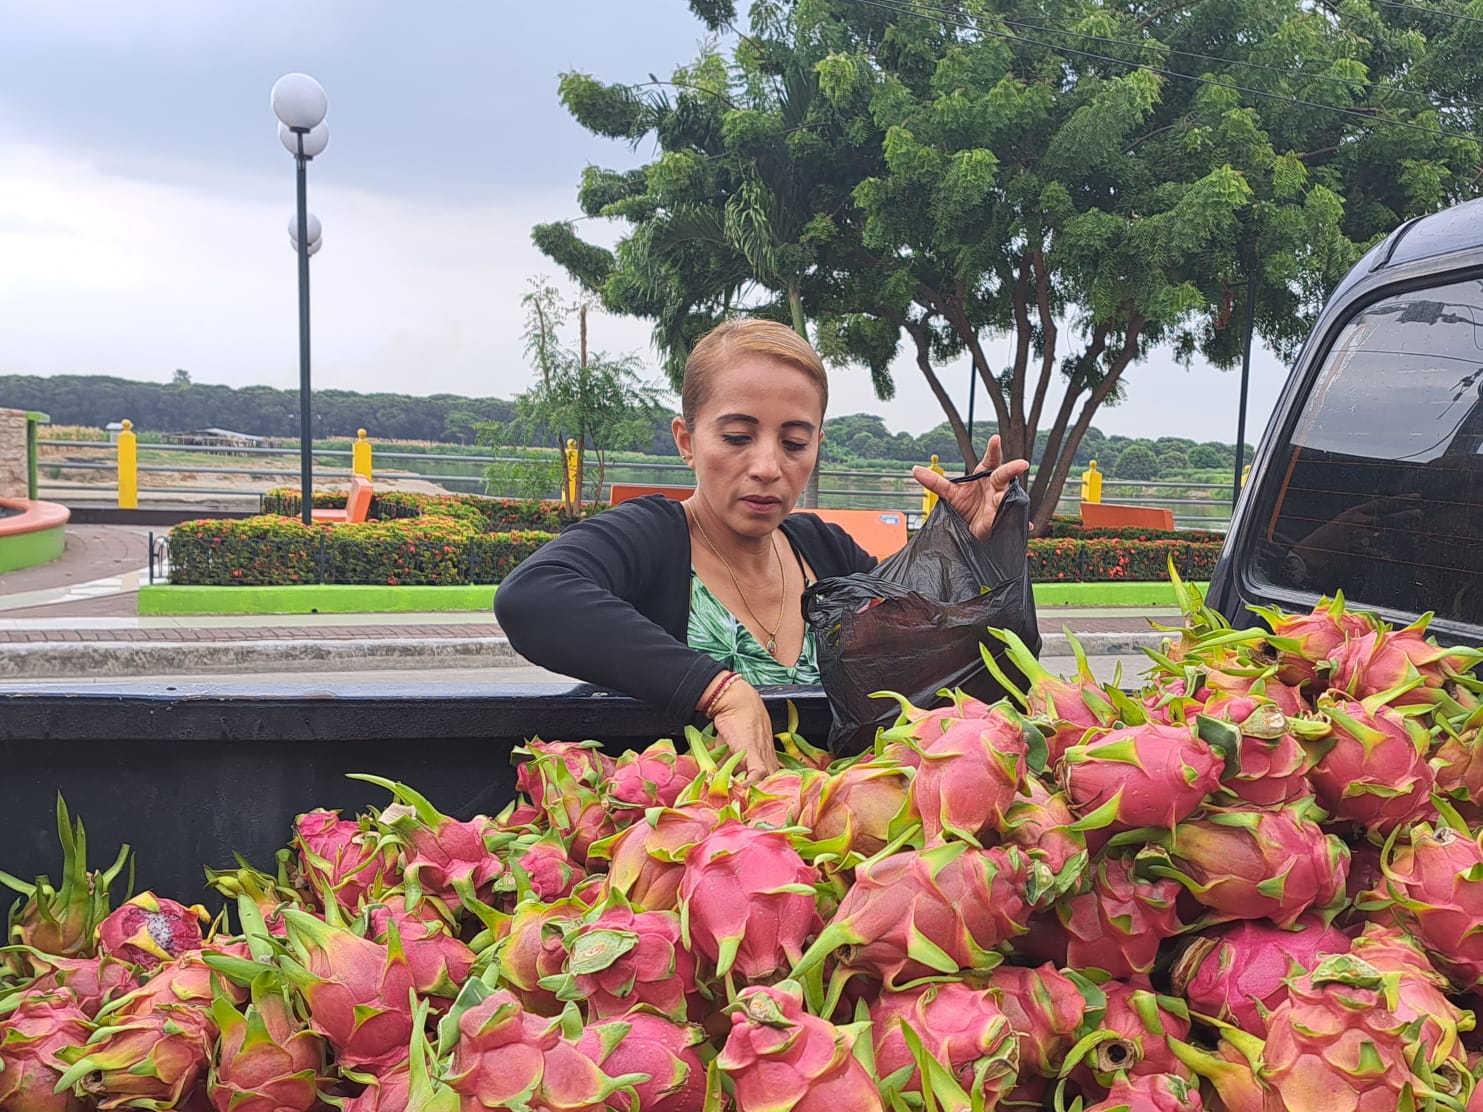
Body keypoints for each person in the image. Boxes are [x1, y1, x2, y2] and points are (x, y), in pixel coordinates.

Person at [494, 319, 1029, 775]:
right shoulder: (653, 537)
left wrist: (964, 546)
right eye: (737, 437)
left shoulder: (824, 552)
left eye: (795, 442)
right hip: (692, 848)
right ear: (686, 440)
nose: (769, 467)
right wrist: (716, 690)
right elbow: (533, 598)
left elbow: (923, 646)